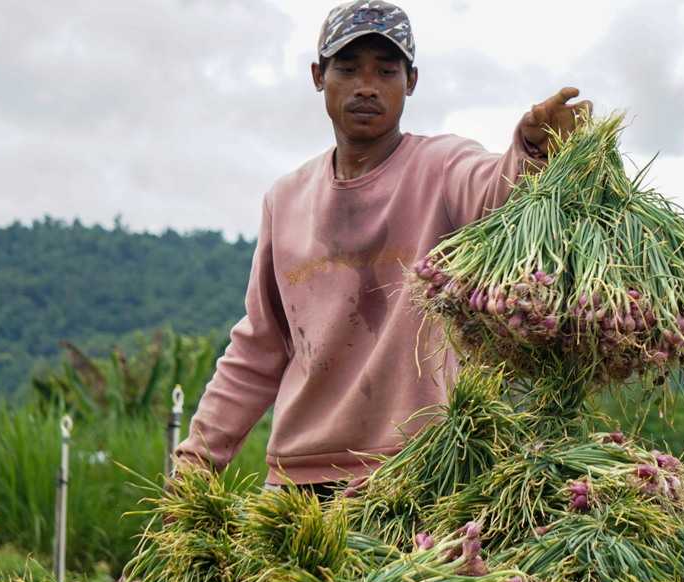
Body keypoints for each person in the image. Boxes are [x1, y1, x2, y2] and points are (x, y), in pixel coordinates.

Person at [172, 0, 592, 496]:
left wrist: (533, 148)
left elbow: (496, 187)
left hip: (417, 474)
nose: (366, 86)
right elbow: (260, 345)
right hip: (298, 477)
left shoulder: (440, 167)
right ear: (317, 76)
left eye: (385, 71)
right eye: (347, 69)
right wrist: (197, 459)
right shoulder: (285, 200)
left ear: (410, 81)